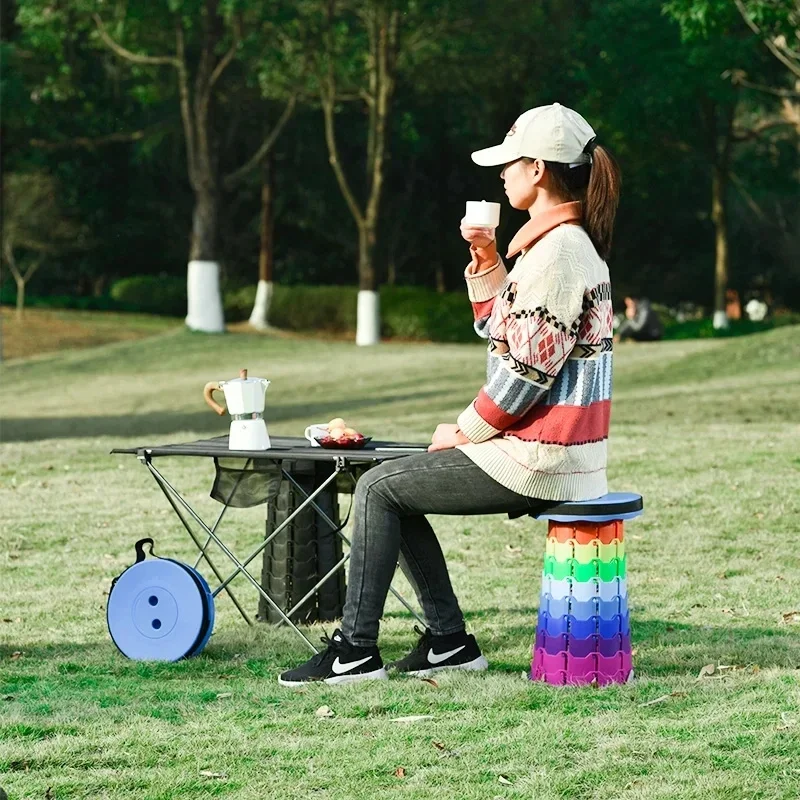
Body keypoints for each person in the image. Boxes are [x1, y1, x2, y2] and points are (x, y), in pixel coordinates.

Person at [279, 103, 621, 686]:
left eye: (508, 163)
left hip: (544, 457)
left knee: (379, 487)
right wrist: (487, 262)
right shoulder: (552, 248)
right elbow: (502, 333)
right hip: (544, 448)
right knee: (393, 481)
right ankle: (447, 643)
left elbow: (524, 376)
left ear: (537, 169)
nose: (501, 174)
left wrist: (464, 431)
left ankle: (356, 650)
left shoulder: (560, 253)